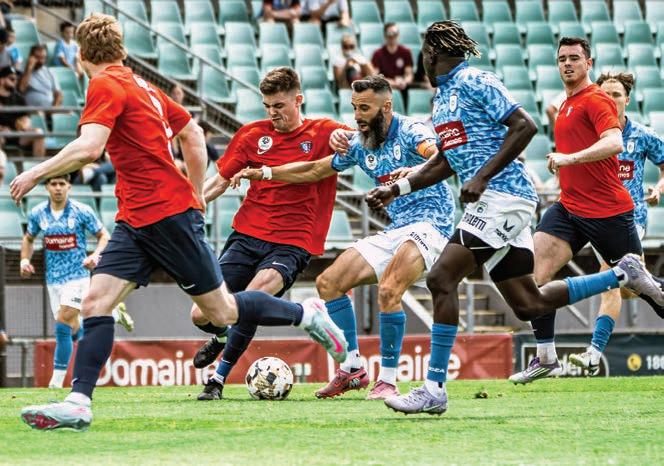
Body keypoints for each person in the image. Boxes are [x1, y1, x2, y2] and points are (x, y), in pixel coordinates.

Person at [13, 14, 346, 431]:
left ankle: (304, 313)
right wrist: (196, 192)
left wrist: (34, 172)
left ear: (81, 55)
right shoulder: (144, 86)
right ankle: (79, 403)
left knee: (222, 312)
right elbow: (192, 134)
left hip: (166, 214)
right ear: (121, 50)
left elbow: (90, 147)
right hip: (135, 219)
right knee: (97, 303)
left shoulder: (104, 84)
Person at [366, 21, 664, 415]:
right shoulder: (443, 99)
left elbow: (525, 126)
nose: (423, 59)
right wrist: (398, 188)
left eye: (424, 52)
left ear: (433, 54)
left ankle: (434, 389)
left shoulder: (476, 80)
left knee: (441, 279)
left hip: (504, 196)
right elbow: (445, 161)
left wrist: (483, 176)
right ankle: (621, 275)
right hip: (494, 201)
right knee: (529, 303)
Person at [234, 75, 455, 400]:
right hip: (397, 228)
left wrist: (412, 172)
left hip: (432, 225)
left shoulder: (411, 132)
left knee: (389, 289)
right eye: (354, 108)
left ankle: (387, 381)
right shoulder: (359, 143)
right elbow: (314, 169)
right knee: (329, 282)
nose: (357, 116)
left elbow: (438, 154)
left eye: (365, 108)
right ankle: (352, 369)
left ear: (386, 106)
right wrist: (266, 172)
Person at [508, 37, 664, 384]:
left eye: (574, 58)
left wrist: (570, 159)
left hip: (609, 212)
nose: (567, 64)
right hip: (569, 207)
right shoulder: (566, 104)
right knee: (535, 276)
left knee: (643, 290)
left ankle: (629, 279)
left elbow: (615, 142)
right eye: (562, 58)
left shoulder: (595, 99)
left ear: (588, 64)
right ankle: (546, 357)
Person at [192, 67, 349, 401]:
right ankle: (221, 336)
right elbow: (219, 181)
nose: (272, 113)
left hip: (293, 240)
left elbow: (365, 138)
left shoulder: (324, 132)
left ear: (298, 99)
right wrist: (189, 207)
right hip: (247, 234)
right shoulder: (252, 135)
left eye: (279, 105)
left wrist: (345, 140)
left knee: (253, 296)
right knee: (200, 314)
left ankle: (217, 380)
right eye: (267, 106)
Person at [564, 73, 664, 374]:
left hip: (630, 219)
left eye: (616, 95)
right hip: (596, 217)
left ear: (627, 100)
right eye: (605, 95)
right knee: (629, 286)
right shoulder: (592, 136)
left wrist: (659, 189)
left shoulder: (642, 135)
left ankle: (594, 354)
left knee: (610, 276)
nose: (610, 100)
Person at [20, 173, 134, 388]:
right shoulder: (38, 213)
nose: (58, 188)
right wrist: (24, 260)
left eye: (62, 184)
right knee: (72, 328)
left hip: (77, 277)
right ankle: (113, 314)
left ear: (69, 186)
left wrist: (95, 256)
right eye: (54, 184)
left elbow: (104, 235)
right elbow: (28, 238)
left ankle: (56, 381)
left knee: (63, 322)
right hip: (53, 279)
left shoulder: (81, 211)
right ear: (47, 188)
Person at [0, 65, 46, 157]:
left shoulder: (18, 97)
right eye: (12, 79)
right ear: (1, 80)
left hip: (17, 133)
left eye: (16, 79)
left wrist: (24, 124)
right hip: (1, 134)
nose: (15, 82)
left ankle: (40, 165)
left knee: (38, 133)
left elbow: (25, 117)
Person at [371, 23, 414, 96]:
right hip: (384, 88)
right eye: (389, 34)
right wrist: (392, 83)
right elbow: (375, 76)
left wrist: (404, 81)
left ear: (398, 35)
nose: (392, 36)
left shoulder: (406, 52)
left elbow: (409, 74)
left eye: (395, 33)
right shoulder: (378, 54)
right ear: (385, 36)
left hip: (402, 88)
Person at [18, 44, 63, 108]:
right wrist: (29, 68)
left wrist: (54, 109)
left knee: (71, 113)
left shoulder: (49, 71)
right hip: (32, 110)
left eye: (43, 58)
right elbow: (21, 89)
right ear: (30, 57)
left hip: (51, 108)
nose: (40, 61)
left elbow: (58, 94)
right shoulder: (22, 70)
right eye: (37, 57)